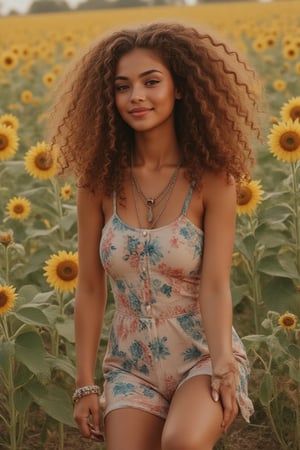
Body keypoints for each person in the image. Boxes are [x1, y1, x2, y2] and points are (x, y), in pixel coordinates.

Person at [47, 20, 261, 450]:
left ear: (179, 87)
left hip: (201, 353)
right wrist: (85, 384)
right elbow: (89, 288)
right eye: (122, 86)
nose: (136, 96)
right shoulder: (98, 183)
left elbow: (217, 284)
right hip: (131, 364)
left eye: (151, 82)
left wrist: (222, 363)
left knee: (181, 442)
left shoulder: (213, 181)